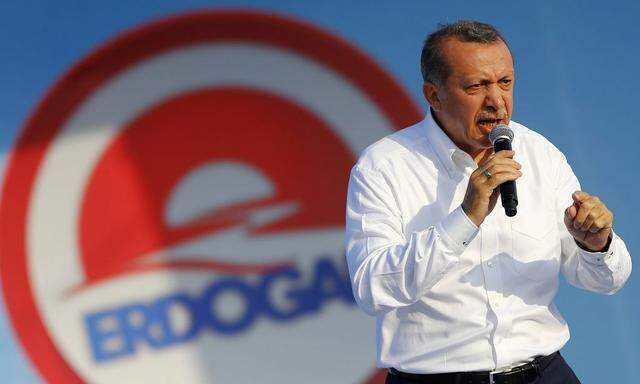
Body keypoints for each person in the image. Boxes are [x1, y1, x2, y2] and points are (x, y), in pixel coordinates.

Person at [345, 20, 632, 384]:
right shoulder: (384, 167)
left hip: (544, 374)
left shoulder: (541, 154)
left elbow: (606, 281)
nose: (496, 100)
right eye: (476, 86)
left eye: (505, 82)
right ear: (434, 95)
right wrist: (464, 219)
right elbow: (373, 289)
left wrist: (595, 245)